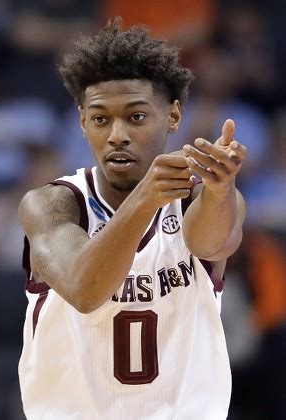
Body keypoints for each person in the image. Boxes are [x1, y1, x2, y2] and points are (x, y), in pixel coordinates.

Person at [18, 19, 246, 420]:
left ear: (173, 117)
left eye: (136, 117)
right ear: (82, 122)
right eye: (101, 119)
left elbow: (213, 244)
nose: (117, 135)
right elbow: (84, 290)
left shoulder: (202, 197)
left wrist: (221, 186)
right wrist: (143, 200)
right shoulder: (52, 204)